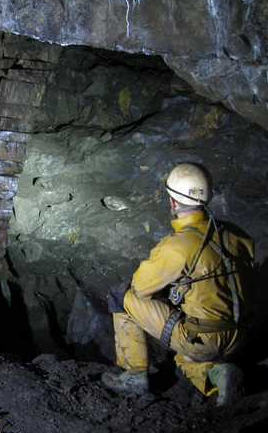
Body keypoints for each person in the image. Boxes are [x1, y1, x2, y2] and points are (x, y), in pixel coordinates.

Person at [101, 163, 255, 405]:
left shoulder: (178, 245)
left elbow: (140, 288)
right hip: (239, 337)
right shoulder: (237, 235)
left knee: (122, 295)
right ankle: (219, 374)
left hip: (203, 339)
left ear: (173, 202)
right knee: (183, 362)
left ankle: (133, 377)